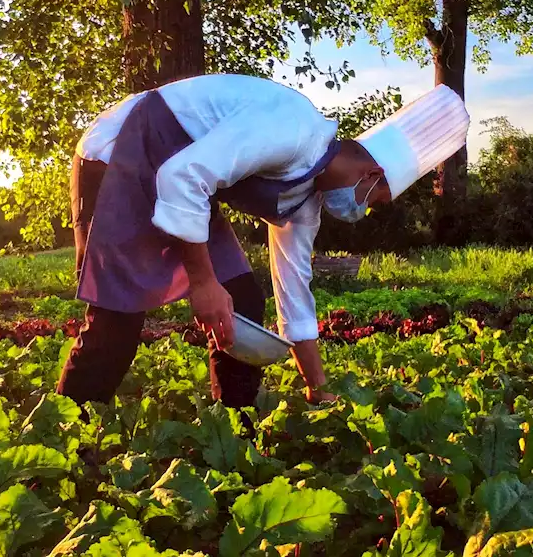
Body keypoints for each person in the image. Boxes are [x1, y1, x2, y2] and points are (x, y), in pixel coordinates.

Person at [55, 73, 468, 408]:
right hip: (122, 150)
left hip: (183, 178)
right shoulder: (292, 128)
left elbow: (294, 294)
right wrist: (202, 283)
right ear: (372, 174)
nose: (363, 212)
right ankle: (67, 432)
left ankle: (234, 422)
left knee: (244, 301)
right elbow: (183, 176)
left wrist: (317, 387)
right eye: (375, 202)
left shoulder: (305, 200)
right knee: (119, 316)